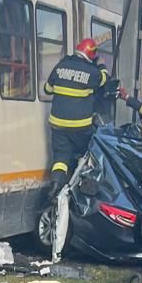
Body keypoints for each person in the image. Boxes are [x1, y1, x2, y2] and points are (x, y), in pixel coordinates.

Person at [45, 37, 117, 189]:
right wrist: (101, 64)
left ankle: (55, 187)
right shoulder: (92, 72)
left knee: (60, 158)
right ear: (91, 55)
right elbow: (104, 79)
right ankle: (82, 187)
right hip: (80, 127)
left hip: (57, 125)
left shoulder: (61, 66)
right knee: (89, 153)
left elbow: (47, 89)